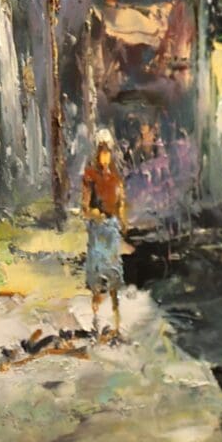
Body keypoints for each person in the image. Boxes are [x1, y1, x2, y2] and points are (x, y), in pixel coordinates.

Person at [81, 129, 130, 340]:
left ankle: (117, 325)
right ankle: (96, 323)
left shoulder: (116, 179)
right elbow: (85, 207)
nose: (105, 157)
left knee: (114, 278)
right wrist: (95, 214)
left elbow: (121, 204)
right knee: (97, 279)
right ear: (97, 154)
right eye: (102, 152)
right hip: (98, 231)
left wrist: (123, 222)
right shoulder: (90, 176)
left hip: (111, 231)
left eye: (107, 152)